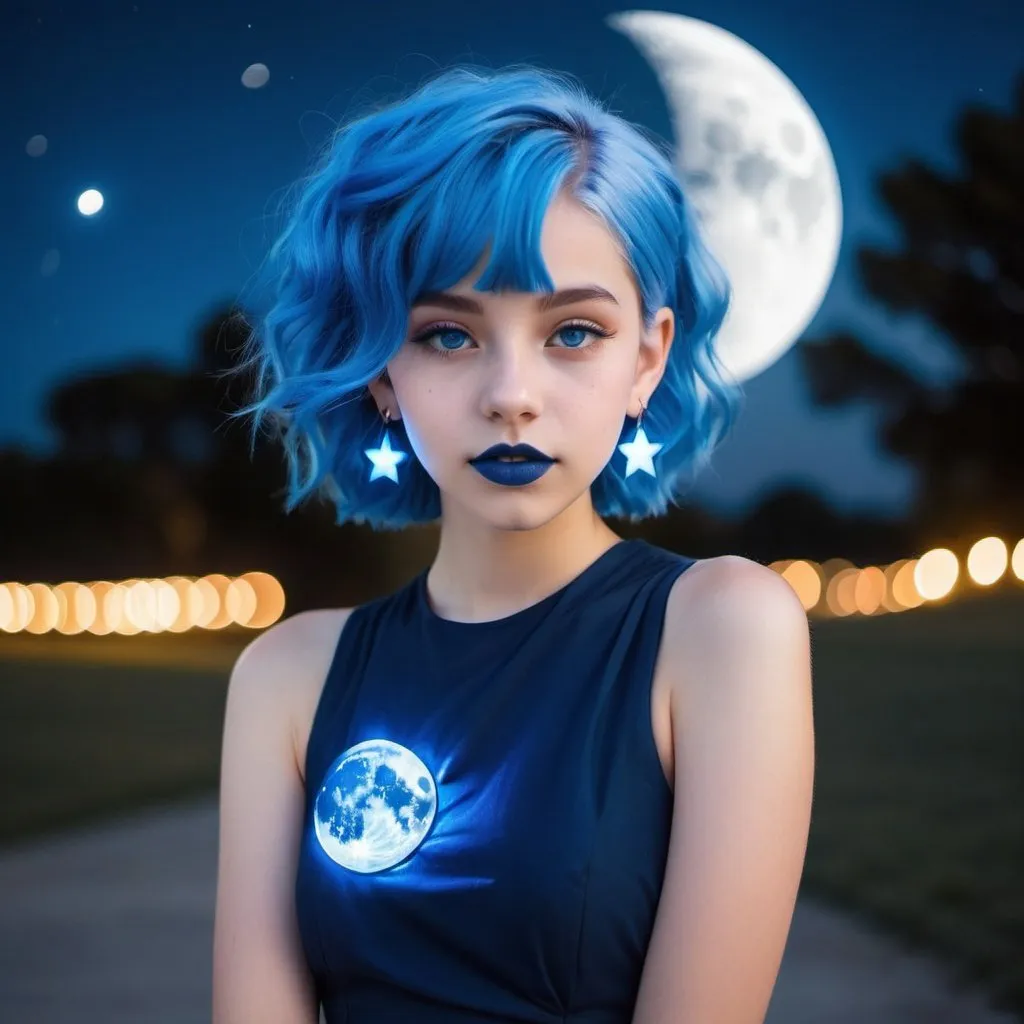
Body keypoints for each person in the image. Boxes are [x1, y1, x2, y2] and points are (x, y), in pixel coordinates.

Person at [212, 63, 815, 1024]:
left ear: (647, 359)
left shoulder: (722, 630)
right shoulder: (285, 676)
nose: (511, 394)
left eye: (573, 332)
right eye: (448, 337)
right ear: (380, 373)